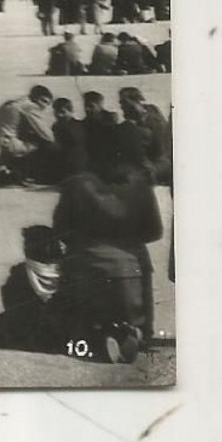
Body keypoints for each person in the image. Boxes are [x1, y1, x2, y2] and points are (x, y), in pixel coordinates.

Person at [50, 123, 164, 361]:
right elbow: (154, 232)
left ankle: (95, 336)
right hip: (130, 270)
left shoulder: (75, 184)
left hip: (87, 267)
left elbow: (60, 230)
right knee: (140, 255)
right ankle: (137, 332)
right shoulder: (141, 186)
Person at [0, 85, 59, 186]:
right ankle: (25, 174)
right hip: (7, 144)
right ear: (36, 98)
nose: (45, 107)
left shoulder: (15, 102)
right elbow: (46, 135)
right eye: (44, 101)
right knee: (42, 144)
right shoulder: (30, 106)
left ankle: (6, 170)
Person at [118, 87, 172, 185]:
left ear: (135, 100)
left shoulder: (152, 118)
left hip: (159, 161)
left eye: (123, 102)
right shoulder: (130, 122)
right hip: (143, 161)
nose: (121, 106)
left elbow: (160, 145)